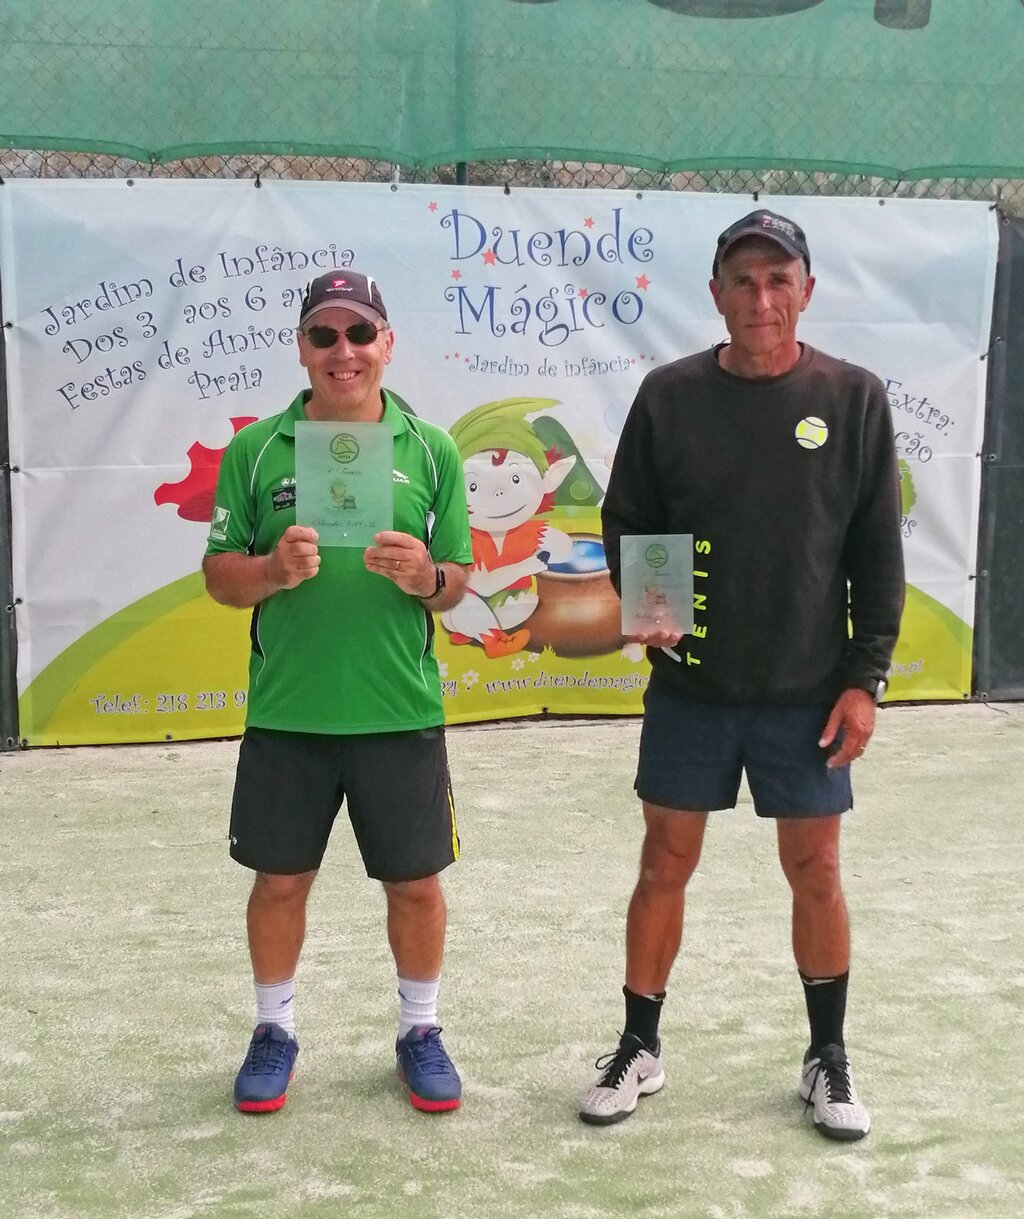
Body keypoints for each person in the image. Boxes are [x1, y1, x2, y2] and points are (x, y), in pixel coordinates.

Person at [580, 210, 905, 1141]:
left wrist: (864, 681)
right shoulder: (669, 396)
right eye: (744, 282)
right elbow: (628, 515)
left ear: (807, 291)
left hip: (809, 696)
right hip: (692, 692)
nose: (762, 299)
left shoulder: (854, 398)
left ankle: (827, 1056)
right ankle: (639, 1045)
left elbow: (875, 552)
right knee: (663, 863)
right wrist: (652, 608)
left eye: (779, 280)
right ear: (717, 294)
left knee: (816, 868)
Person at [203, 270, 473, 1115]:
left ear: (386, 343)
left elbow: (458, 578)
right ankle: (274, 1029)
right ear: (302, 347)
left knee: (417, 885)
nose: (343, 351)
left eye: (360, 333)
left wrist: (427, 577)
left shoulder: (431, 448)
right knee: (279, 882)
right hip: (290, 712)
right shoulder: (256, 449)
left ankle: (420, 1030)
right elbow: (219, 575)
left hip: (399, 710)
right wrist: (271, 571)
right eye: (324, 334)